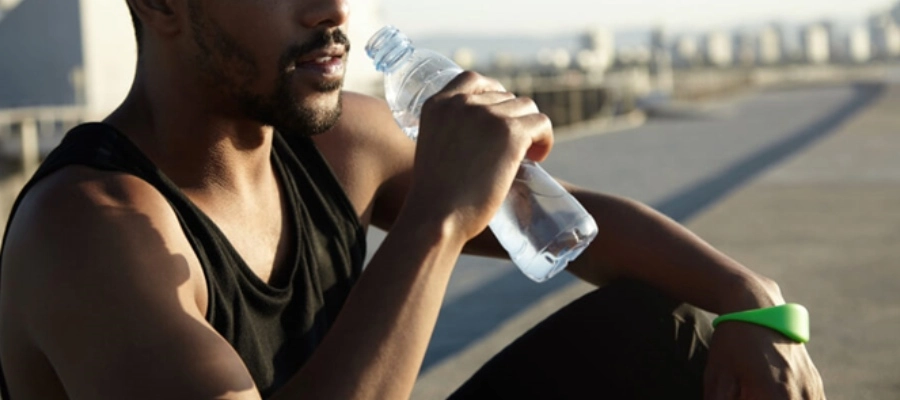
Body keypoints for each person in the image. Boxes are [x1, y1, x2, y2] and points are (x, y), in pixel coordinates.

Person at [0, 0, 825, 398]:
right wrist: (437, 217)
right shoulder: (90, 232)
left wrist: (753, 304)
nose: (333, 12)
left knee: (681, 337)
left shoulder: (337, 142)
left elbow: (588, 229)